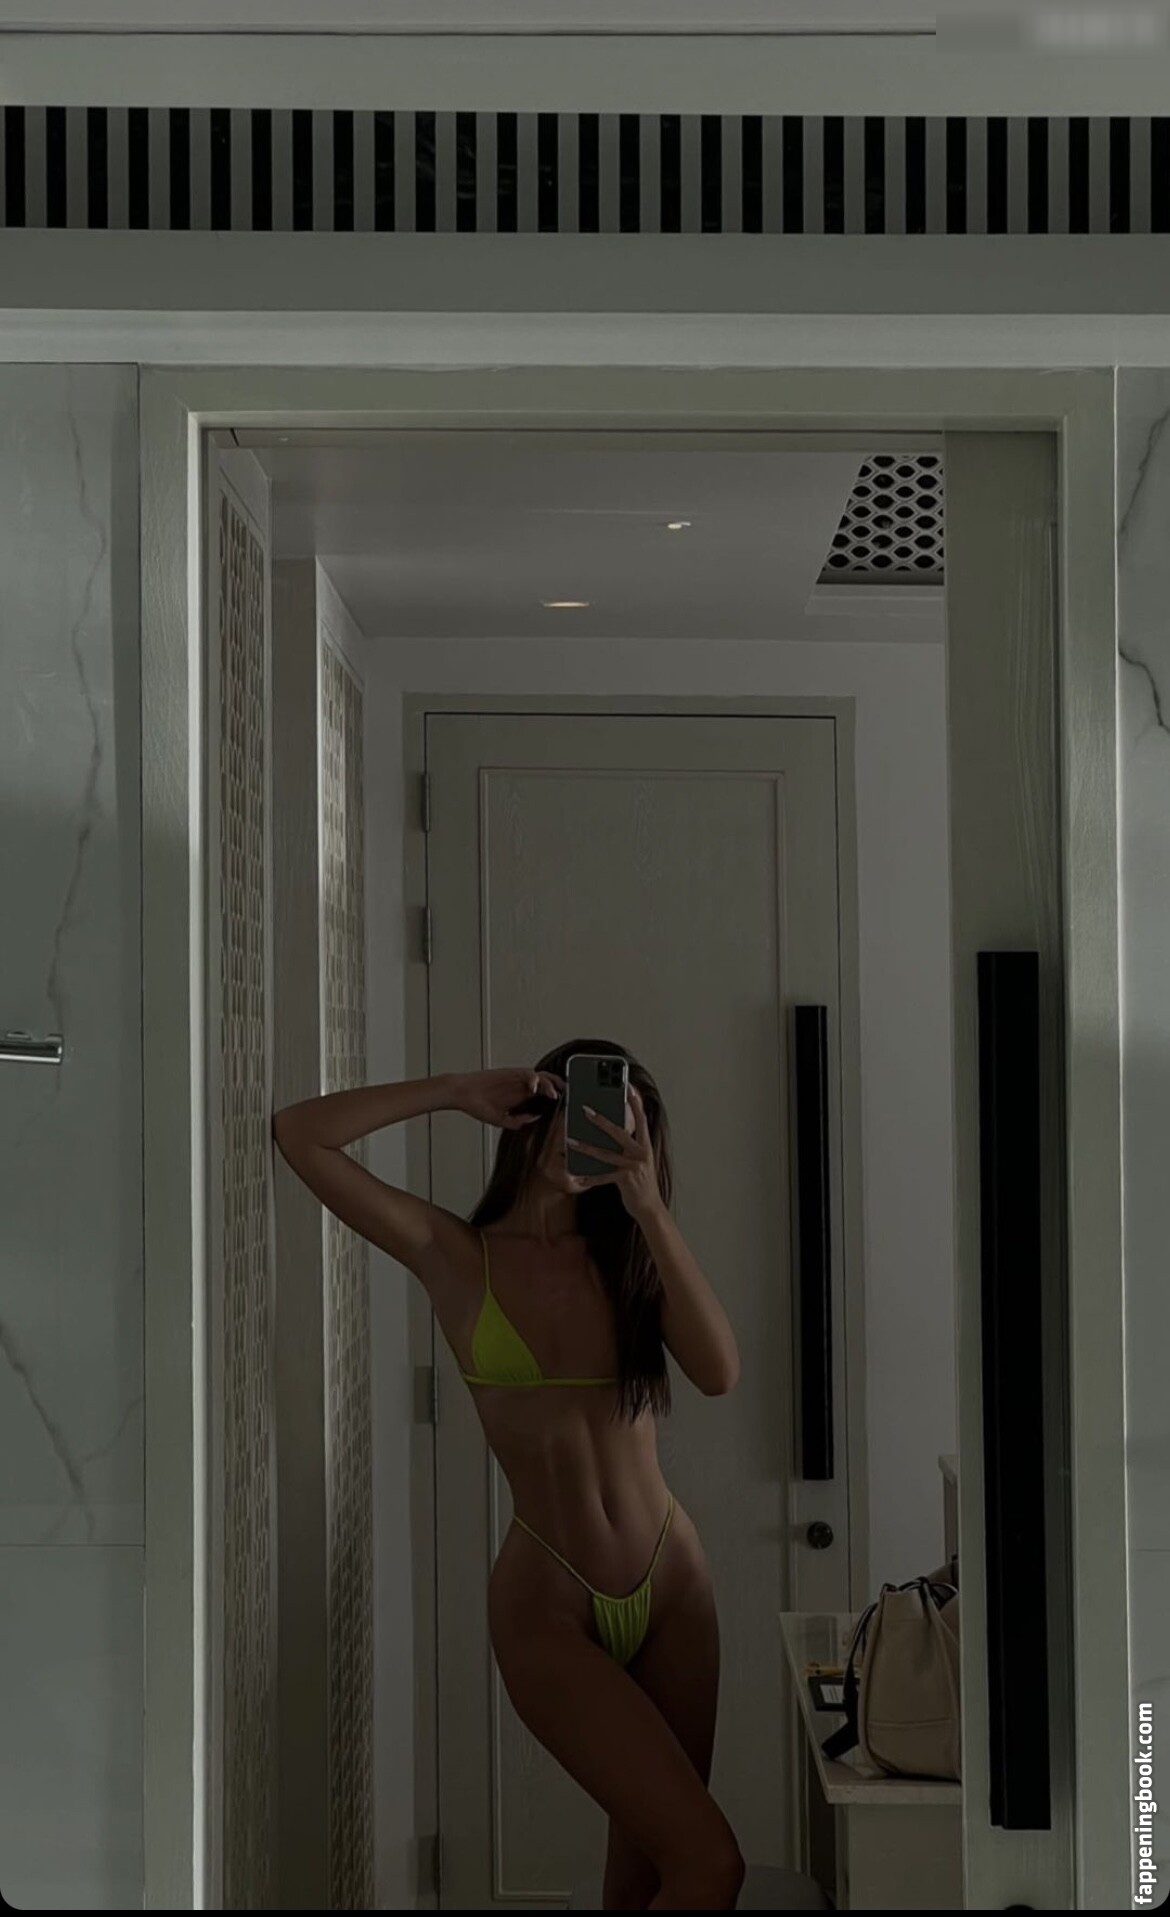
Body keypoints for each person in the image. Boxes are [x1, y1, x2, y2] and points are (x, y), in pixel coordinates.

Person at [273, 1038, 744, 1911]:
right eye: (579, 1111)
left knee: (651, 1876)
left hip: (675, 1586)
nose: (588, 1136)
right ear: (536, 1111)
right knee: (712, 1865)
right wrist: (454, 1089)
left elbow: (719, 1371)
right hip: (548, 1601)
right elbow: (300, 1133)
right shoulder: (455, 1254)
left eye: (617, 1124)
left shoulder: (631, 1257)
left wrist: (648, 1206)